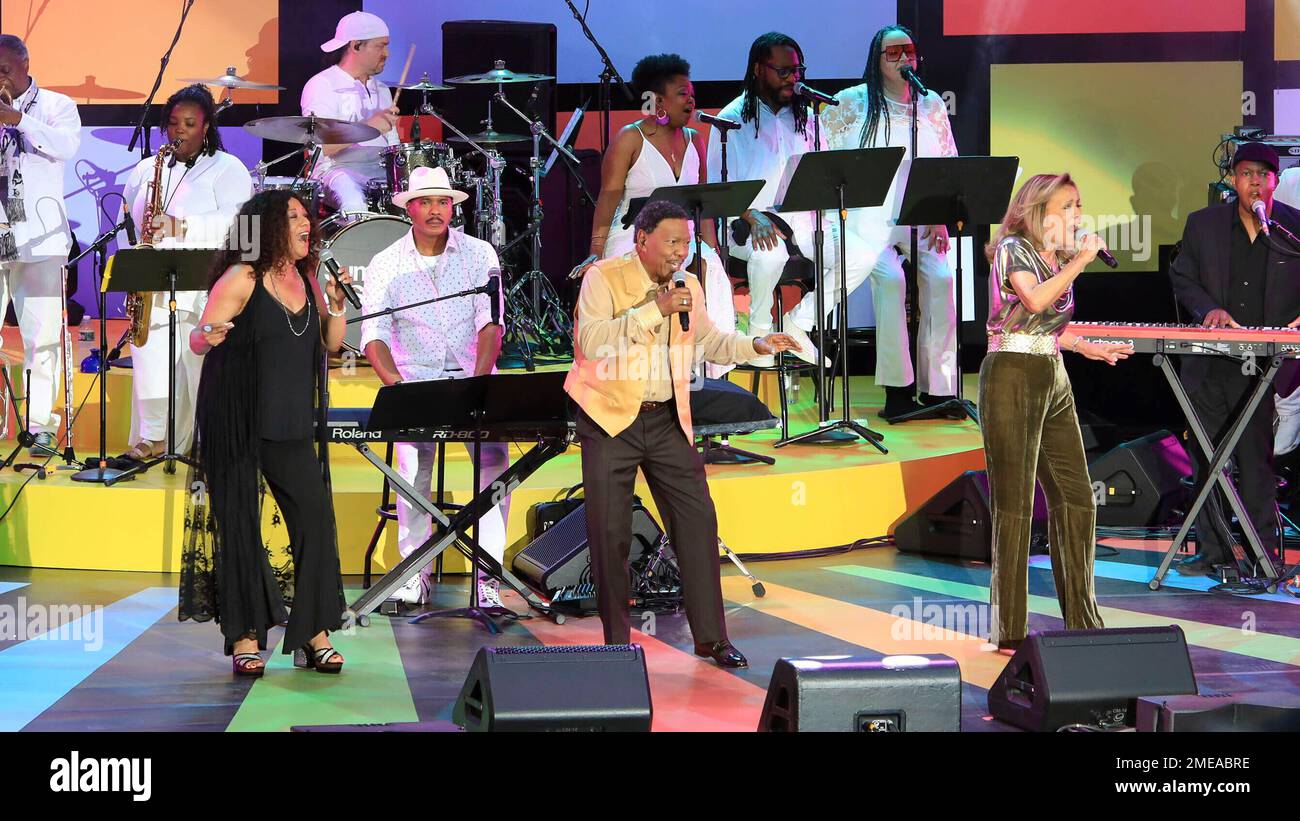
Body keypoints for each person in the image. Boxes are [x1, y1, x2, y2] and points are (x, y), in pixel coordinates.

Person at [565, 199, 801, 667]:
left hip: (668, 417)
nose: (680, 252)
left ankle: (711, 637)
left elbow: (710, 341)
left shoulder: (688, 283)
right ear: (642, 240)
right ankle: (617, 642)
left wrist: (756, 343)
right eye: (672, 242)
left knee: (697, 522)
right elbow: (592, 343)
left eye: (687, 243)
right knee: (610, 532)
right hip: (611, 417)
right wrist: (656, 309)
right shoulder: (603, 278)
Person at [180, 190, 352, 677]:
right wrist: (204, 336)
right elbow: (200, 335)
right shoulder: (242, 277)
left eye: (306, 216)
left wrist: (336, 305)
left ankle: (312, 632)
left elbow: (329, 346)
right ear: (267, 227)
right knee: (238, 523)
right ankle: (245, 637)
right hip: (235, 418)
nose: (305, 223)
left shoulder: (307, 280)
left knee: (315, 521)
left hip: (288, 421)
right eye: (292, 216)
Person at [980, 173, 1132, 652]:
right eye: (1066, 206)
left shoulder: (1056, 259)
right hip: (1011, 373)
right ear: (1037, 211)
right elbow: (1033, 300)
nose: (1076, 215)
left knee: (1077, 498)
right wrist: (1083, 259)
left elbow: (1048, 325)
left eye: (1078, 206)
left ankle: (1083, 620)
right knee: (1015, 505)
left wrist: (1089, 347)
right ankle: (1010, 629)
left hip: (1053, 372)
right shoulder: (1012, 249)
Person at [360, 166, 509, 607]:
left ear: (452, 208)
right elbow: (374, 335)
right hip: (414, 381)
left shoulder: (481, 254)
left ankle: (489, 578)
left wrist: (478, 384)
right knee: (410, 466)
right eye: (425, 201)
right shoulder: (385, 263)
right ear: (408, 208)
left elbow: (492, 324)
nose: (435, 210)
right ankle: (414, 573)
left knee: (496, 460)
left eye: (442, 202)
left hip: (473, 373)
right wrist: (398, 388)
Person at [706, 32, 876, 368]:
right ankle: (759, 335)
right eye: (783, 71)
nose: (792, 79)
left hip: (805, 222)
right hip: (751, 224)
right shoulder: (731, 119)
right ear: (758, 69)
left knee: (862, 255)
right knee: (770, 256)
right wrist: (752, 215)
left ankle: (798, 324)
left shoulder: (808, 116)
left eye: (797, 71)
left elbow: (826, 170)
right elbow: (718, 186)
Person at [1169, 142, 1300, 576]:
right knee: (1208, 457)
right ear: (1233, 179)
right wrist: (1210, 310)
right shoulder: (1203, 225)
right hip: (1209, 361)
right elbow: (1182, 276)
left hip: (1260, 367)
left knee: (1255, 458)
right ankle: (1213, 551)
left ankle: (1265, 552)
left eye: (1264, 176)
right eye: (1247, 174)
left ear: (1276, 183)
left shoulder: (1293, 228)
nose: (1256, 183)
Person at [821, 25, 959, 418]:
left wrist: (939, 213)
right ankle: (898, 389)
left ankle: (940, 389)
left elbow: (947, 161)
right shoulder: (852, 102)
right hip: (867, 221)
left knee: (943, 278)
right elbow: (823, 155)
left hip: (919, 217)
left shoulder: (929, 103)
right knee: (891, 281)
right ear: (876, 60)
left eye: (909, 51)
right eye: (893, 53)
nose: (904, 59)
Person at [118, 84, 253, 463]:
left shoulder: (229, 168)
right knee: (149, 360)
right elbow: (127, 220)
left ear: (206, 126)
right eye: (173, 123)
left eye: (190, 123)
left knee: (202, 366)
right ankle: (153, 436)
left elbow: (242, 225)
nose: (180, 131)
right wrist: (132, 268)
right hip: (153, 282)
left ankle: (211, 439)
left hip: (207, 285)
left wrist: (182, 226)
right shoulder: (148, 167)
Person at [585, 53, 734, 375]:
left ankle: (699, 370)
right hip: (633, 235)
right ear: (657, 101)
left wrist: (712, 248)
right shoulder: (630, 138)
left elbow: (702, 203)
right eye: (682, 94)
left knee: (711, 269)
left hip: (683, 238)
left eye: (692, 95)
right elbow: (608, 198)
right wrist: (596, 251)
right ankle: (643, 370)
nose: (691, 101)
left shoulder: (696, 140)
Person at [0, 35, 80, 455]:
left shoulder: (56, 106)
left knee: (41, 337)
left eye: (5, 70)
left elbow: (66, 146)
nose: (0, 79)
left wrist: (18, 119)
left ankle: (40, 428)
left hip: (39, 238)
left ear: (25, 63)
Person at [301, 10, 399, 213]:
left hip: (379, 170)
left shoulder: (381, 89)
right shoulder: (322, 84)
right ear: (356, 45)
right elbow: (319, 148)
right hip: (336, 171)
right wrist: (368, 128)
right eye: (381, 46)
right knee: (354, 202)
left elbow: (392, 143)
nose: (386, 53)